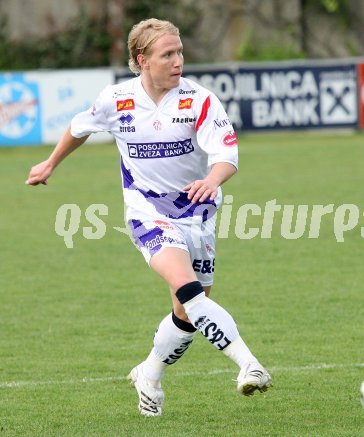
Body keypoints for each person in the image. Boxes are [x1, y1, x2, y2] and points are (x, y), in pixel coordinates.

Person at [26, 18, 272, 417]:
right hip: (146, 210)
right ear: (143, 60)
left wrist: (212, 178)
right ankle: (249, 364)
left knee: (187, 311)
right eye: (168, 54)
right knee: (186, 286)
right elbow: (79, 126)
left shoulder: (201, 100)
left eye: (180, 52)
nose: (178, 61)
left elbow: (227, 156)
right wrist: (51, 162)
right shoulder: (117, 99)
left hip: (198, 213)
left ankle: (150, 375)